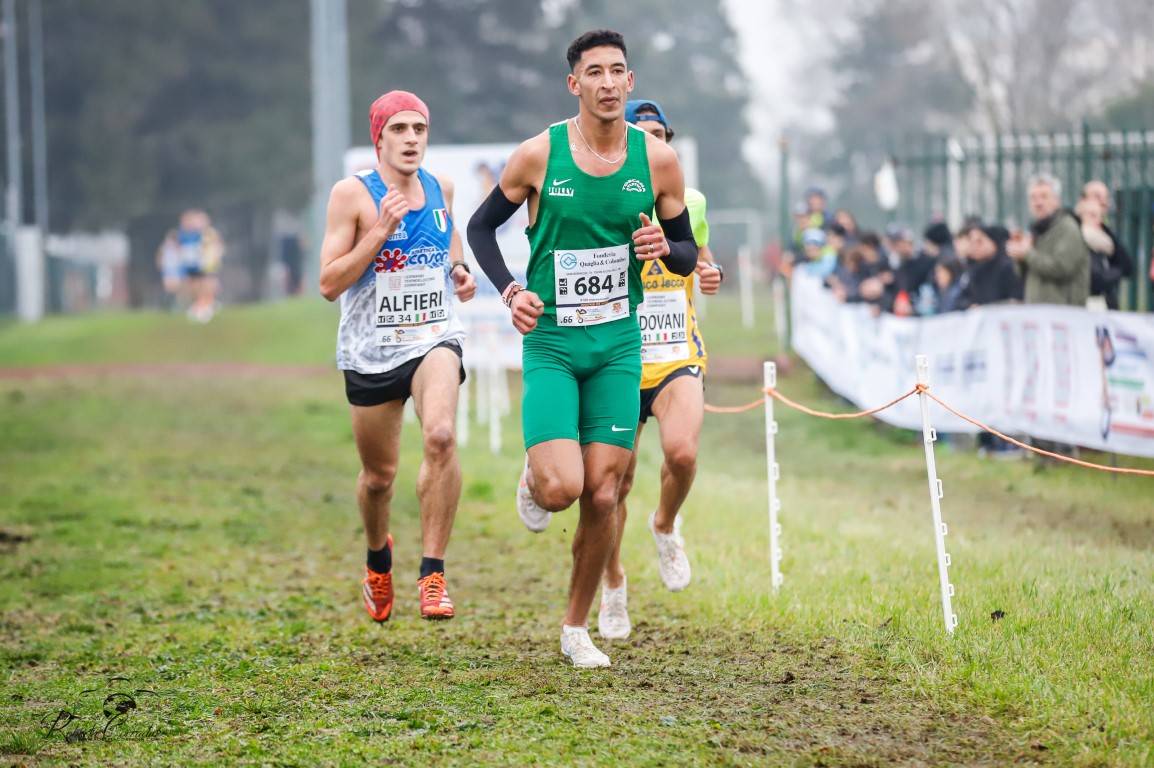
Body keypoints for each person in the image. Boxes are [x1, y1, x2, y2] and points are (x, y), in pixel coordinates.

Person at [466, 29, 698, 668]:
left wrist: (665, 251)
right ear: (575, 85)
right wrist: (511, 290)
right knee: (564, 488)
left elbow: (684, 254)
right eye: (592, 72)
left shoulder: (657, 162)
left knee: (605, 493)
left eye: (616, 71)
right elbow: (480, 227)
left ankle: (576, 629)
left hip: (620, 344)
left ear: (630, 82)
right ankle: (537, 474)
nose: (605, 82)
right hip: (554, 345)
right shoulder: (539, 155)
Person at [318, 90, 477, 624]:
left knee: (440, 436)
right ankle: (377, 559)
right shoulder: (352, 195)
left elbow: (448, 235)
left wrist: (458, 269)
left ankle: (432, 573)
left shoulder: (441, 188)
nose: (412, 139)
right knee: (379, 477)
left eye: (420, 129)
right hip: (371, 351)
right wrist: (380, 232)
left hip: (433, 335)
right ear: (379, 138)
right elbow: (328, 283)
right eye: (400, 130)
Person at [593, 98, 722, 641]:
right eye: (640, 135)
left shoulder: (688, 198)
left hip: (676, 353)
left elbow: (701, 257)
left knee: (684, 453)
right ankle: (614, 586)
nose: (653, 144)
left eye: (659, 135)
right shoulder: (606, 193)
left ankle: (666, 524)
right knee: (613, 487)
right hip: (622, 355)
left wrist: (711, 274)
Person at [1007, 174, 1090, 307]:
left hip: (1064, 314)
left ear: (1056, 200)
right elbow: (1026, 274)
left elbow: (1061, 268)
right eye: (1033, 198)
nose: (1038, 203)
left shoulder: (1068, 228)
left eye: (1044, 197)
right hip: (1038, 313)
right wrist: (1019, 257)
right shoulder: (1036, 230)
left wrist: (1027, 254)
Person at [1079, 181, 1134, 310]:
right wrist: (1115, 273)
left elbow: (1128, 266)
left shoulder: (1105, 235)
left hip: (1106, 305)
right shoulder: (1075, 232)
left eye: (1106, 198)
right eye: (1097, 196)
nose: (1103, 202)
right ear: (1083, 200)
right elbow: (1096, 279)